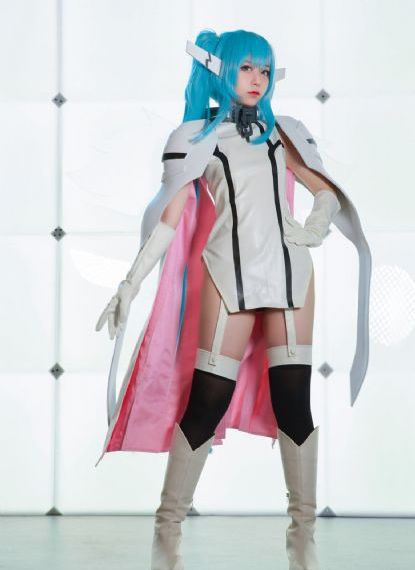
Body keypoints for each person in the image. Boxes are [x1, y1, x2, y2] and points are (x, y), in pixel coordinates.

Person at [95, 29, 371, 570]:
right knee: (206, 402)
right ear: (222, 70)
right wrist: (130, 283)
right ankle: (167, 533)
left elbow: (324, 190)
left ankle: (303, 540)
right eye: (247, 67)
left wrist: (315, 226)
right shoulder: (196, 137)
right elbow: (169, 219)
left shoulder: (283, 132)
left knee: (295, 403)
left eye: (264, 70)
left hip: (291, 274)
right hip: (230, 276)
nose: (257, 79)